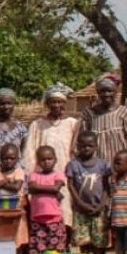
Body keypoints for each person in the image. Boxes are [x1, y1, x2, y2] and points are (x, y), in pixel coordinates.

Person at [24, 83, 81, 240]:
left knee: (65, 210)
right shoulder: (37, 125)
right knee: (44, 210)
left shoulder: (71, 123)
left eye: (59, 101)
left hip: (64, 176)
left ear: (64, 103)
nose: (56, 105)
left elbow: (75, 150)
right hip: (42, 177)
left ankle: (64, 244)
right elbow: (29, 152)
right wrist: (31, 176)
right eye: (53, 101)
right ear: (47, 103)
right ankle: (44, 245)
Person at [81, 74, 127, 173]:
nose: (106, 94)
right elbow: (83, 142)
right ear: (98, 92)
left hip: (121, 169)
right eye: (103, 91)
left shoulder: (125, 113)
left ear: (116, 92)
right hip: (96, 168)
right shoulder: (89, 114)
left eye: (110, 91)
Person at [68, 132, 111, 254]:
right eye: (83, 146)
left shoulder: (103, 165)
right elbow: (70, 185)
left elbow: (107, 186)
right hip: (80, 211)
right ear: (77, 146)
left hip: (99, 210)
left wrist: (101, 205)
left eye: (90, 146)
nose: (86, 148)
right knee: (84, 244)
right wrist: (81, 204)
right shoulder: (73, 165)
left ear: (96, 146)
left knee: (99, 244)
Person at [26, 146, 68, 254]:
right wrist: (52, 190)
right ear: (38, 161)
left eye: (50, 159)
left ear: (55, 159)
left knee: (56, 246)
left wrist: (39, 188)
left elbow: (56, 187)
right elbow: (31, 188)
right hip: (37, 219)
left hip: (55, 219)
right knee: (38, 247)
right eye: (43, 160)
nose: (46, 162)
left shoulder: (58, 174)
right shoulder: (34, 175)